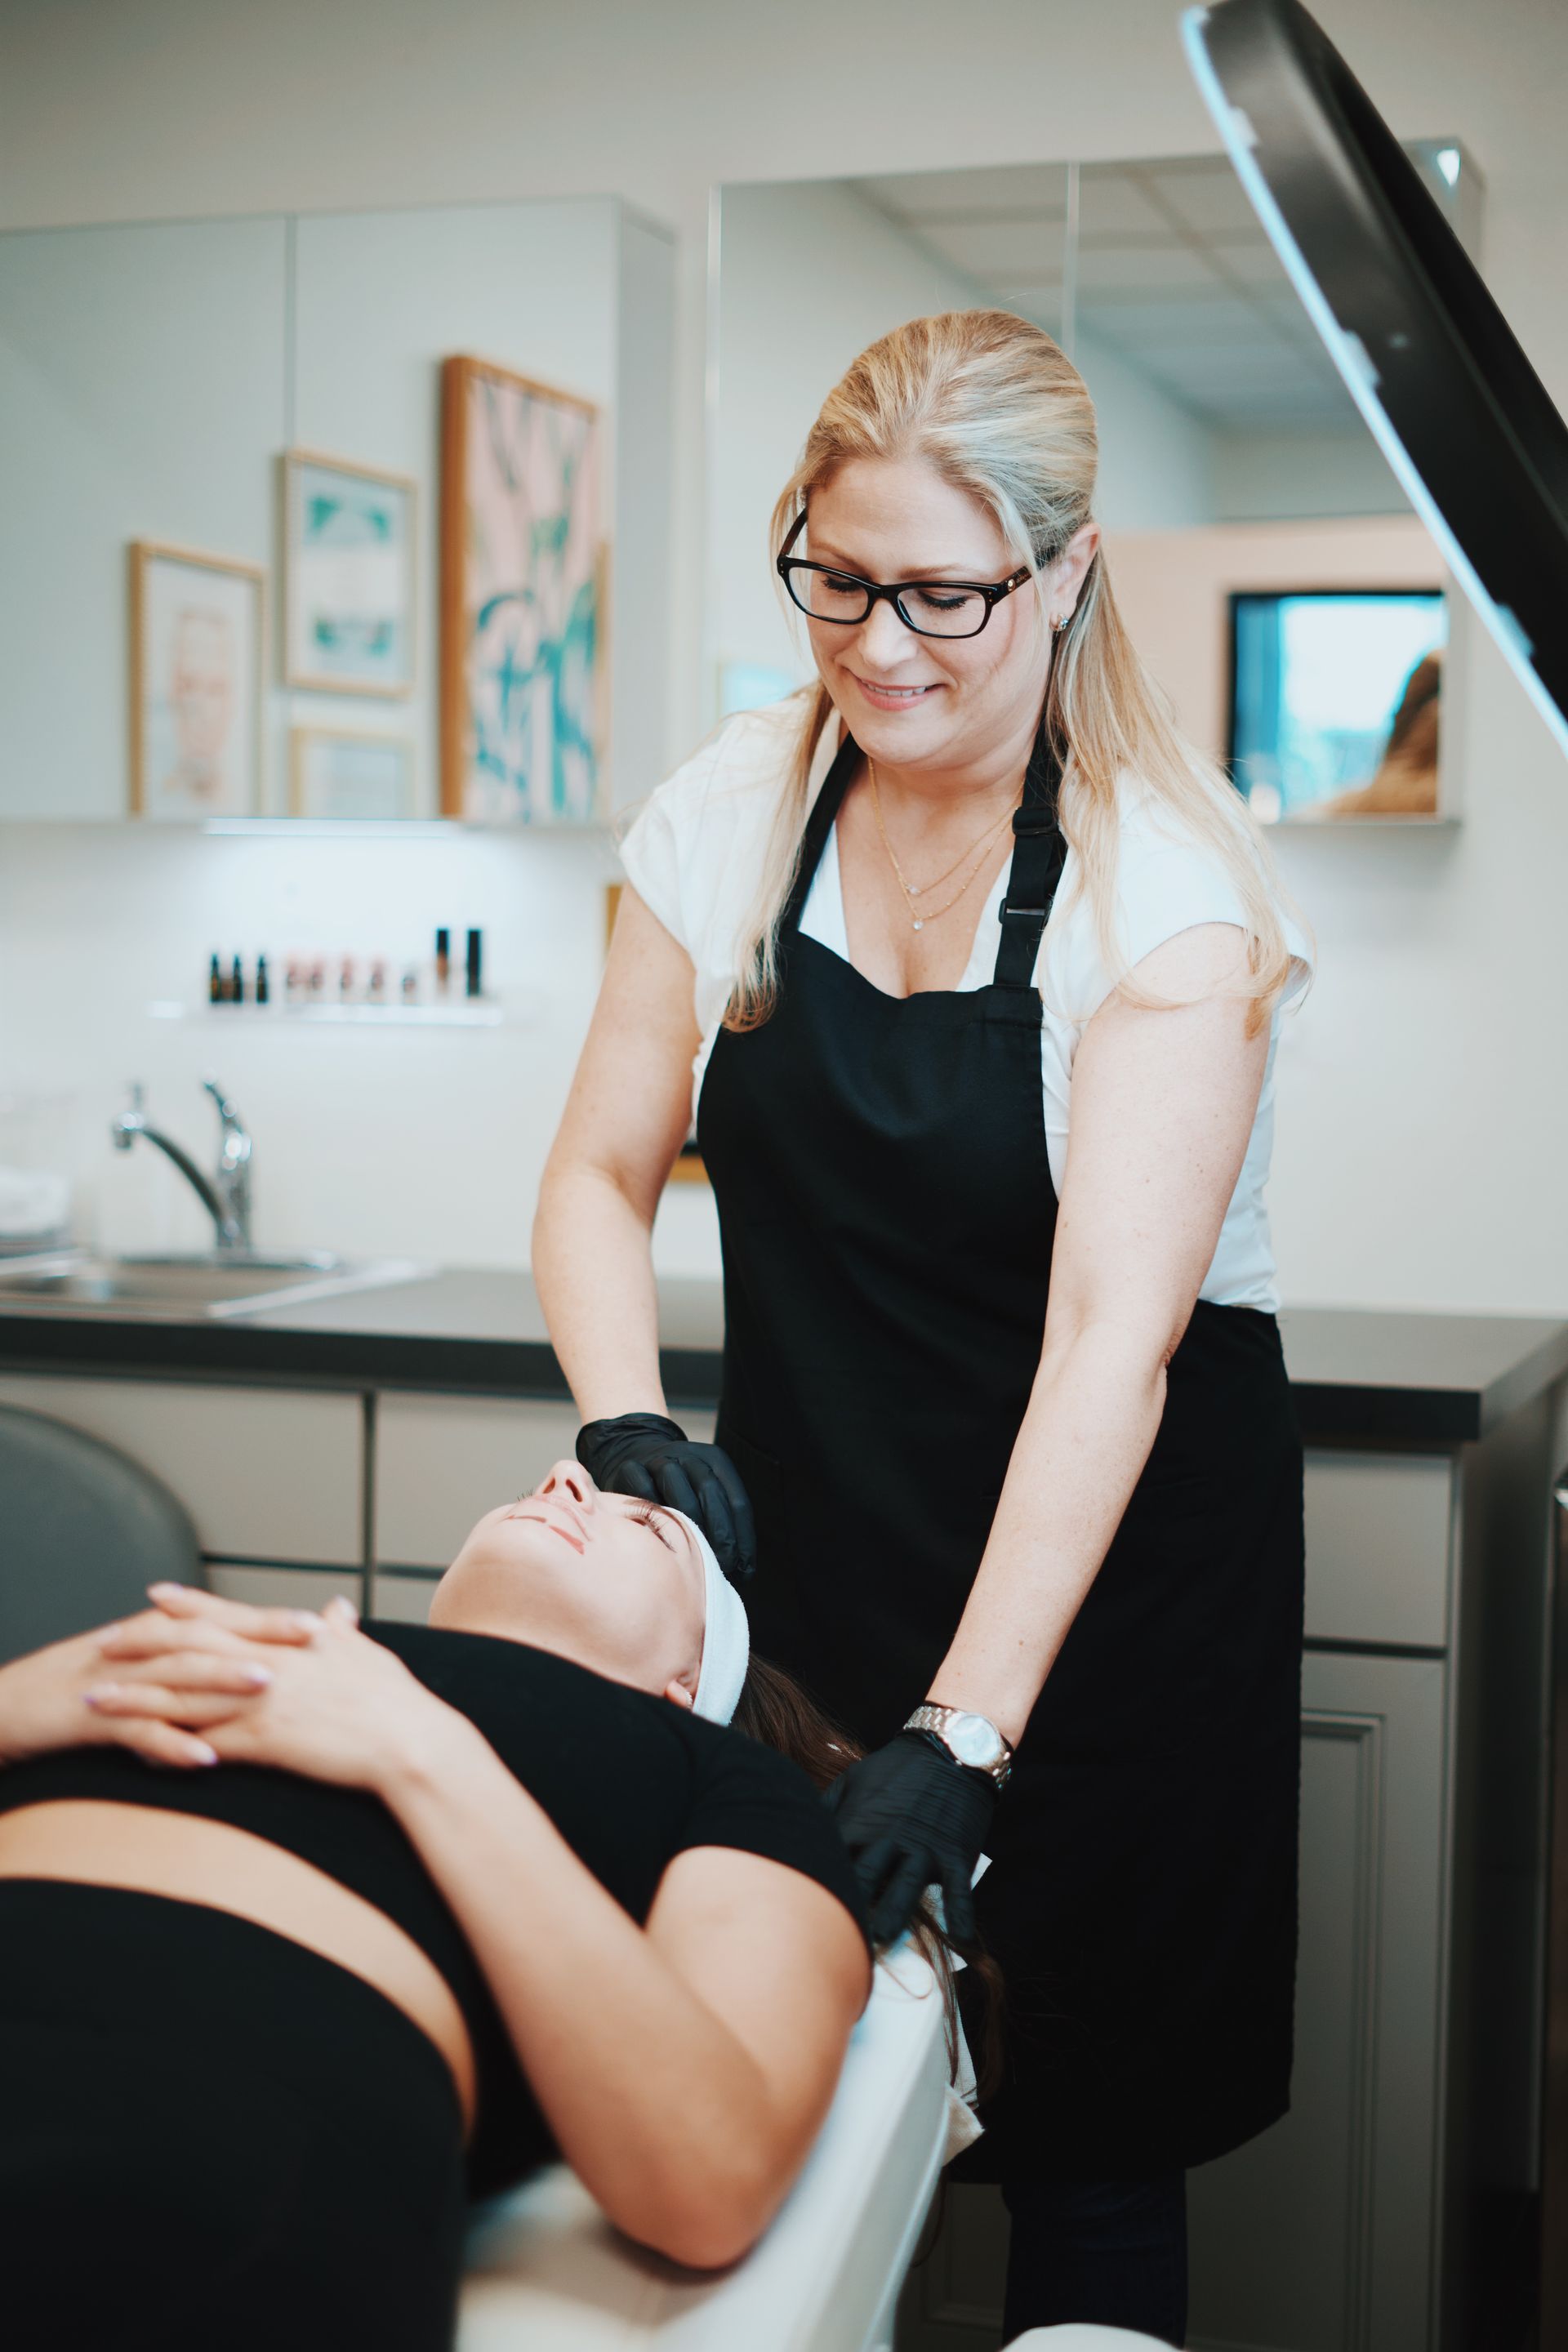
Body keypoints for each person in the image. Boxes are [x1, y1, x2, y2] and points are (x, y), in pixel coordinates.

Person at [535, 307, 1314, 2345]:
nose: (877, 645)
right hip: (821, 1530)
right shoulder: (735, 806)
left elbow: (1105, 1352)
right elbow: (597, 1171)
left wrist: (969, 1733)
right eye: (835, 577)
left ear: (1061, 574)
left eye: (944, 596)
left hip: (1109, 1579)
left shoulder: (1165, 884)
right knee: (793, 2081)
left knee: (1082, 2127)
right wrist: (628, 1431)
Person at [0, 1463, 874, 2352]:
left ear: (686, 1682)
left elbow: (710, 2177)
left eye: (649, 1526)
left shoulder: (727, 1781)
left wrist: (420, 1752)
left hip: (205, 2140)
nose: (567, 1476)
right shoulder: (250, 1643)